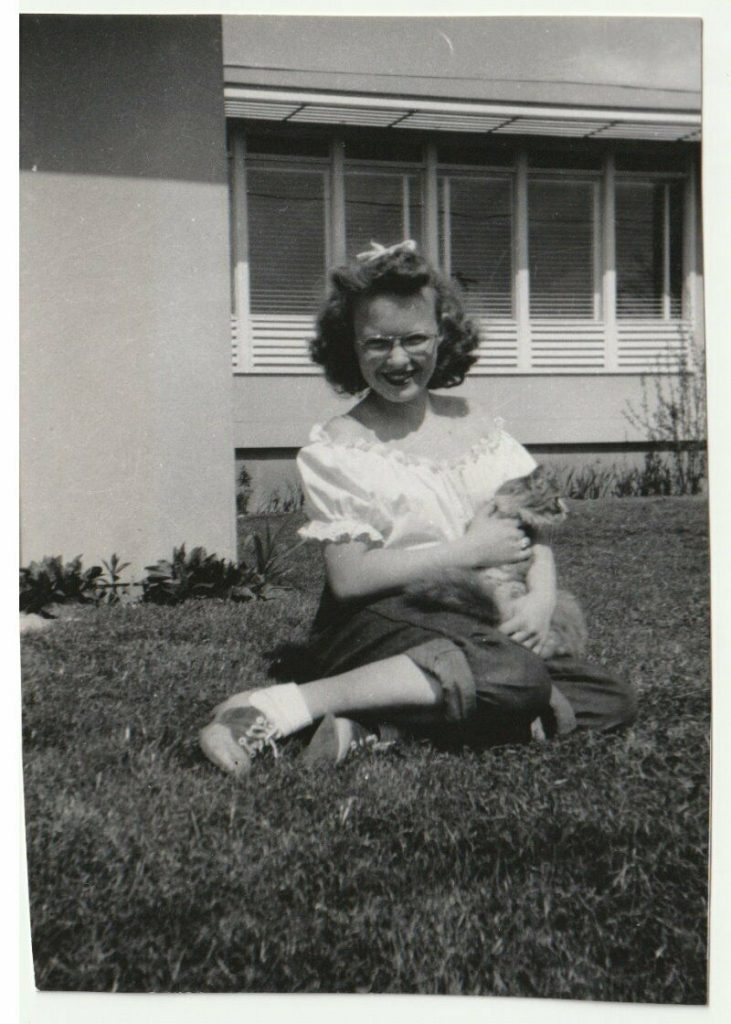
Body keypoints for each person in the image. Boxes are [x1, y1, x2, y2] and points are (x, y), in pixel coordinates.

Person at [200, 240, 637, 775]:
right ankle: (280, 706)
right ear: (349, 347)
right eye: (377, 343)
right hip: (376, 620)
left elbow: (531, 528)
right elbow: (350, 579)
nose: (399, 359)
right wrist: (470, 550)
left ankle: (382, 726)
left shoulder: (477, 425)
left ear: (444, 337)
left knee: (608, 696)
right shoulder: (339, 445)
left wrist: (542, 600)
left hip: (471, 616)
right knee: (517, 679)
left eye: (415, 339)